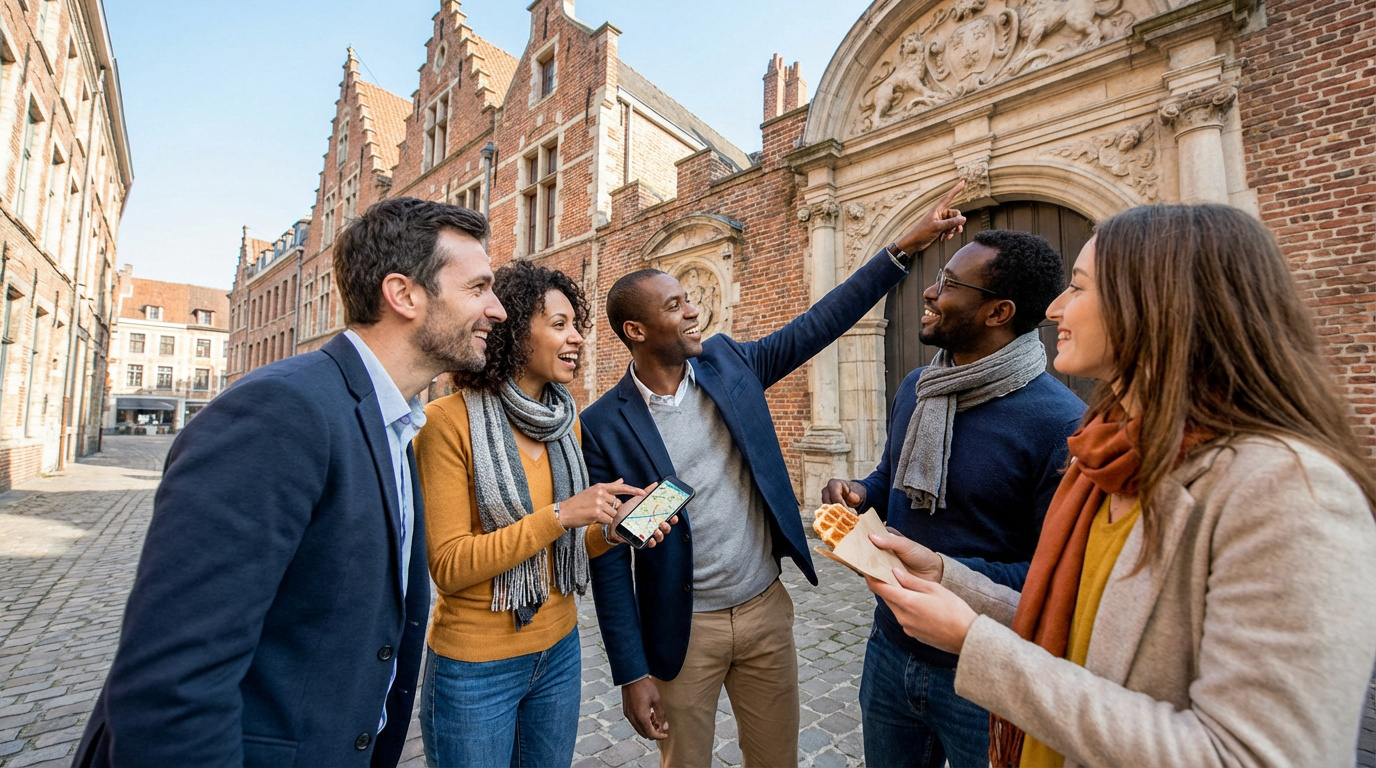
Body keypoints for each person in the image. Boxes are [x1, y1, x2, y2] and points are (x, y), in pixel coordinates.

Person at [867, 203, 1376, 768]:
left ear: (1162, 305)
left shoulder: (1293, 496)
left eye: (1078, 288)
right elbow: (1077, 620)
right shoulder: (1107, 453)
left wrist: (974, 643)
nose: (1056, 307)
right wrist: (945, 575)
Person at [73, 199, 509, 767]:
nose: (497, 310)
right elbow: (173, 684)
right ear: (403, 295)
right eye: (478, 288)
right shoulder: (280, 410)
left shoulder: (392, 420)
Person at [583, 181, 968, 767]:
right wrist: (632, 672)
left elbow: (820, 323)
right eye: (674, 305)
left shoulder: (729, 364)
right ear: (635, 331)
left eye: (690, 298)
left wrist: (903, 248)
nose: (692, 310)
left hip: (765, 611)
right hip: (684, 633)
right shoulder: (604, 425)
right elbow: (608, 557)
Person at [822, 229, 1084, 767]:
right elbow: (890, 476)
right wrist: (859, 492)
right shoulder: (918, 386)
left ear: (998, 312)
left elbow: (1049, 579)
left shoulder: (1058, 425)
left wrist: (941, 571)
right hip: (889, 650)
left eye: (947, 282)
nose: (928, 291)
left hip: (981, 671)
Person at [412, 260, 670, 767]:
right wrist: (561, 514)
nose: (576, 338)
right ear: (512, 330)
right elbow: (447, 565)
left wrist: (611, 531)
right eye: (559, 325)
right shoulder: (445, 423)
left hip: (558, 652)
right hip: (475, 667)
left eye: (576, 325)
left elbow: (568, 542)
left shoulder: (563, 423)